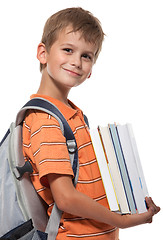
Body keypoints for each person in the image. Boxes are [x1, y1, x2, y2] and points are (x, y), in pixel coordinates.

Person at [22, 7, 160, 240]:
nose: (76, 62)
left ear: (91, 69)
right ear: (43, 53)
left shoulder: (71, 114)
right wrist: (123, 222)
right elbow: (65, 197)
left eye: (87, 56)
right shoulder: (46, 120)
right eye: (68, 50)